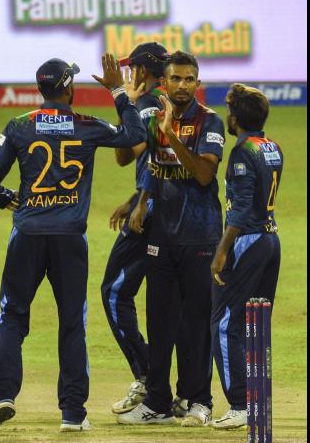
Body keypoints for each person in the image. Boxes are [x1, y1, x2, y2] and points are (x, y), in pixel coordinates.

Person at [0, 54, 147, 433]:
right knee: (71, 324)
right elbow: (135, 136)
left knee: (13, 318)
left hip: (27, 236)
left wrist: (6, 198)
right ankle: (72, 413)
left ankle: (2, 396)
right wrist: (118, 91)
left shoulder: (18, 125)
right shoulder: (86, 125)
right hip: (69, 239)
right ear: (68, 88)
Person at [121, 50, 225, 427]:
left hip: (199, 236)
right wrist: (141, 200)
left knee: (195, 323)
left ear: (197, 82)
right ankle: (158, 403)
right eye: (176, 79)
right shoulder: (155, 119)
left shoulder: (210, 122)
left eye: (189, 78)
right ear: (164, 83)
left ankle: (199, 401)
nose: (182, 85)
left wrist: (170, 135)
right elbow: (145, 161)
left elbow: (202, 175)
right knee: (160, 322)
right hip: (160, 235)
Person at [102, 42, 190, 418]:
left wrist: (122, 99)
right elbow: (138, 156)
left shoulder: (147, 103)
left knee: (115, 293)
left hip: (152, 214)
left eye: (129, 69)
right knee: (167, 303)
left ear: (140, 70)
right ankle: (177, 391)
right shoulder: (155, 102)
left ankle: (149, 380)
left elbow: (128, 152)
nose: (126, 74)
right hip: (162, 208)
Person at [208, 83, 282, 429]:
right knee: (256, 326)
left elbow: (238, 211)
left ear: (235, 118)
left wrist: (221, 252)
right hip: (271, 239)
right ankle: (258, 401)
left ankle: (240, 404)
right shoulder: (271, 147)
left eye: (229, 110)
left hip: (247, 241)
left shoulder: (241, 153)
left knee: (224, 324)